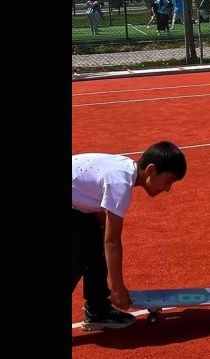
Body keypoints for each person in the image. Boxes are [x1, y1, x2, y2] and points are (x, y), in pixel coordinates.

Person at [71, 141, 187, 331]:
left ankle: (97, 310)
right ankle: (98, 308)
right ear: (151, 170)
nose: (167, 189)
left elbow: (102, 220)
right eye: (168, 180)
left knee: (92, 242)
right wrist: (117, 288)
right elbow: (112, 241)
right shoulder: (120, 182)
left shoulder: (126, 169)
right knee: (80, 250)